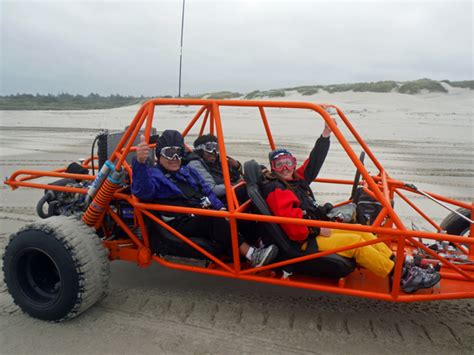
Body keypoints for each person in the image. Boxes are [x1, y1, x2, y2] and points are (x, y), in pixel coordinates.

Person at [260, 122, 441, 293]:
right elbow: (293, 229)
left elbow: (312, 164)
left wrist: (325, 135)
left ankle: (401, 265)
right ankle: (403, 275)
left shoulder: (294, 180)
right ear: (272, 167)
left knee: (362, 231)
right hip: (303, 240)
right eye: (279, 164)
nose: (285, 167)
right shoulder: (278, 189)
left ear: (294, 163)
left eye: (288, 163)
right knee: (357, 245)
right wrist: (316, 229)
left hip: (313, 228)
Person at [131, 129, 278, 267]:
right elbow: (142, 191)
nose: (175, 158)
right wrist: (140, 162)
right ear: (159, 154)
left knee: (237, 210)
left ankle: (257, 246)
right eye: (169, 153)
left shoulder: (188, 171)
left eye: (179, 152)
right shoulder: (154, 175)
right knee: (216, 219)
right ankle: (252, 255)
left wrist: (220, 208)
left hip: (199, 213)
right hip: (179, 222)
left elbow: (208, 192)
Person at [186, 134, 243, 200]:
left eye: (216, 148)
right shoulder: (195, 164)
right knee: (243, 190)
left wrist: (236, 166)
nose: (213, 152)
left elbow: (236, 178)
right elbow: (212, 190)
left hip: (224, 194)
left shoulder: (217, 162)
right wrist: (235, 185)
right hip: (211, 200)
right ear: (200, 150)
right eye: (209, 148)